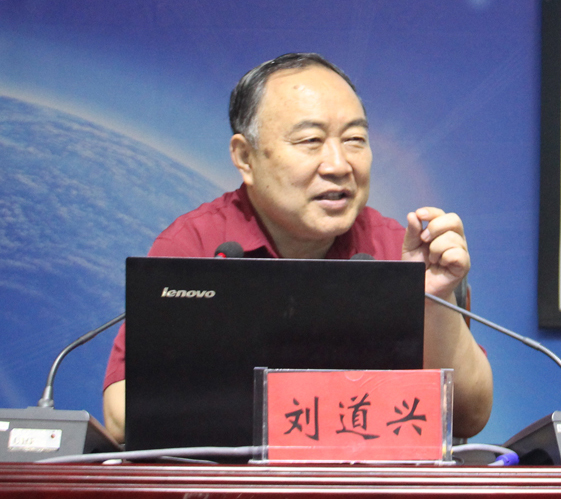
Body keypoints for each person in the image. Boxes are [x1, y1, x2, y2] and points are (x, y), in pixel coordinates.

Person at [103, 53, 493, 444]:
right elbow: (123, 414)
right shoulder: (196, 245)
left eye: (355, 140)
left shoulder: (399, 250)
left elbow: (468, 417)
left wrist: (432, 301)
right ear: (245, 157)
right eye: (311, 141)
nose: (339, 165)